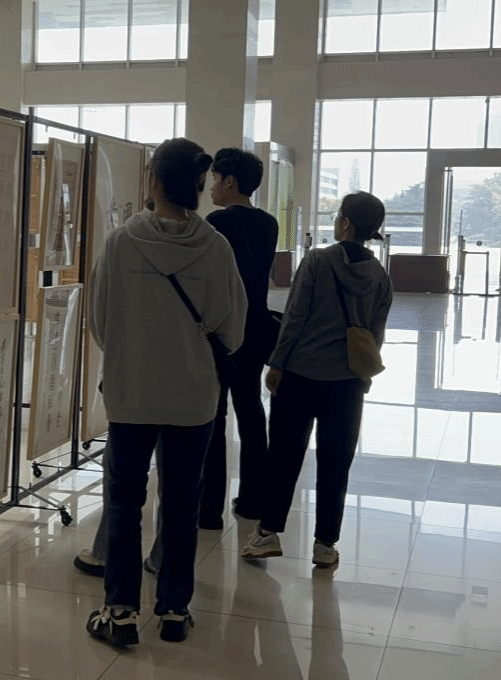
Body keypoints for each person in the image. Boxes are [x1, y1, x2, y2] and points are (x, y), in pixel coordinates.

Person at [84, 138, 247, 647]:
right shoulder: (216, 248)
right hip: (193, 399)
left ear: (153, 180)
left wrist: (134, 353)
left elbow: (99, 321)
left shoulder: (121, 242)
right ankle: (174, 610)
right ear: (198, 184)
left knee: (123, 502)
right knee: (180, 504)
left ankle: (120, 613)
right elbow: (233, 329)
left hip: (131, 393)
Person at [240, 191, 393, 568]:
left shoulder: (318, 261)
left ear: (346, 223)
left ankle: (267, 534)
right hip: (348, 382)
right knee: (336, 461)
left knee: (284, 456)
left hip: (301, 375)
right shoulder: (380, 276)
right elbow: (375, 333)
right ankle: (326, 544)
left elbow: (295, 317)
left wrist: (276, 363)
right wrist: (364, 375)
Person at [200, 147, 279, 529]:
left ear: (230, 181)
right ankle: (253, 499)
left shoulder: (217, 222)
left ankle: (209, 509)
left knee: (214, 417)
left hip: (222, 331)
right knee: (250, 410)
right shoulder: (269, 223)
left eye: (216, 179)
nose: (212, 187)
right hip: (256, 328)